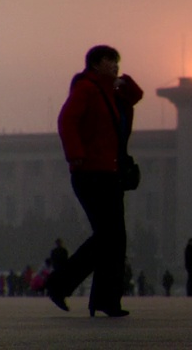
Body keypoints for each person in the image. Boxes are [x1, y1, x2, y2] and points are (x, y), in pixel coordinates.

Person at [47, 45, 143, 317]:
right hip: (90, 173)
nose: (115, 65)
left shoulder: (111, 92)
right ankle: (60, 284)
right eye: (111, 61)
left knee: (115, 239)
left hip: (110, 174)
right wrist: (75, 155)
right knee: (108, 237)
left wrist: (122, 81)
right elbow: (67, 120)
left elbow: (136, 96)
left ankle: (106, 299)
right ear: (96, 63)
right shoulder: (87, 89)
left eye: (117, 61)